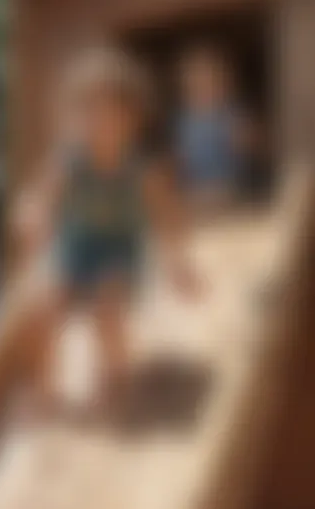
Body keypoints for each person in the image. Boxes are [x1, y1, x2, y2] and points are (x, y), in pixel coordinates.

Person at [12, 46, 201, 416]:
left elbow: (166, 218)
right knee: (41, 309)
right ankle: (45, 389)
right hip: (74, 249)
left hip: (118, 251)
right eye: (84, 112)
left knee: (107, 307)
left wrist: (179, 263)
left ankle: (114, 376)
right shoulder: (68, 161)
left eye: (107, 112)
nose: (95, 123)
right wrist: (31, 215)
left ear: (132, 119)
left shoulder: (142, 171)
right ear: (70, 119)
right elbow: (39, 199)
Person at [174, 44, 258, 211]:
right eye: (197, 82)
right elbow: (179, 158)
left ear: (225, 84)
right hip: (194, 188)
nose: (205, 88)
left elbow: (249, 147)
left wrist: (245, 137)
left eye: (211, 81)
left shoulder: (231, 114)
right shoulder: (184, 121)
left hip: (228, 185)